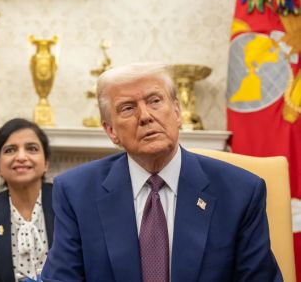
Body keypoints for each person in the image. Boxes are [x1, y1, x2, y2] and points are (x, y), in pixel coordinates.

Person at [42, 63, 282, 281]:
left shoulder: (240, 192)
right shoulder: (76, 192)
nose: (145, 116)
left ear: (177, 112)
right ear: (111, 131)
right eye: (128, 108)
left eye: (155, 101)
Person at [0, 118, 54, 282]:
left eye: (32, 149)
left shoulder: (67, 204)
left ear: (46, 163)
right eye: (10, 150)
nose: (21, 157)